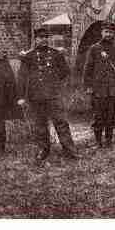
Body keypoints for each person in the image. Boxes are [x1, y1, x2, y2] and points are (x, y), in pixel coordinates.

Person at [17, 27, 79, 163]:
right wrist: (21, 96)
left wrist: (54, 84)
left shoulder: (56, 54)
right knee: (40, 125)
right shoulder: (28, 56)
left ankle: (70, 150)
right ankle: (43, 150)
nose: (43, 40)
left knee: (61, 123)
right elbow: (22, 77)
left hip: (53, 96)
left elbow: (65, 72)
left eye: (45, 37)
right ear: (35, 39)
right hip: (36, 96)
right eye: (40, 37)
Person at [83, 21, 115, 148]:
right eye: (106, 32)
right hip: (98, 88)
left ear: (114, 33)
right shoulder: (94, 48)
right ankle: (98, 142)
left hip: (113, 88)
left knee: (111, 115)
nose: (108, 34)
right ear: (101, 32)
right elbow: (88, 68)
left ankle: (109, 141)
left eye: (110, 32)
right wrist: (88, 86)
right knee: (98, 115)